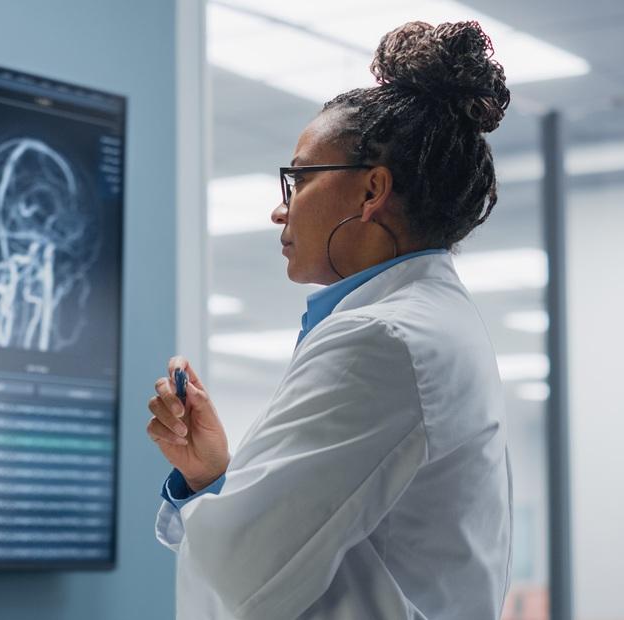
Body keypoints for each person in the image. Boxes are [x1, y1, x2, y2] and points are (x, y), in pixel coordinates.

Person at [145, 20, 513, 619]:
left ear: (371, 191)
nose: (278, 209)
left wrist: (218, 499)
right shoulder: (427, 322)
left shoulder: (385, 340)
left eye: (297, 180)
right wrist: (213, 475)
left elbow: (246, 574)